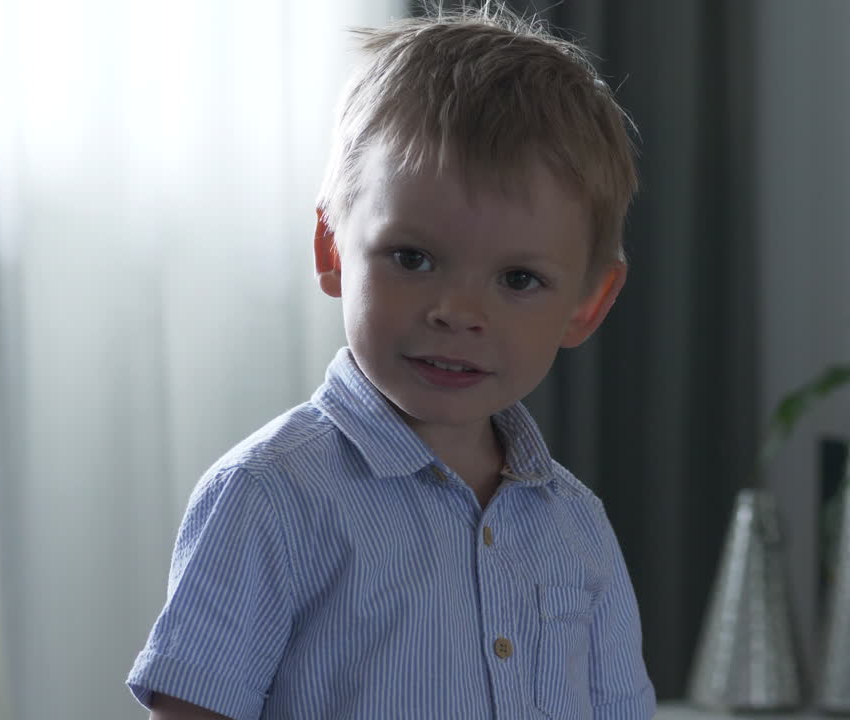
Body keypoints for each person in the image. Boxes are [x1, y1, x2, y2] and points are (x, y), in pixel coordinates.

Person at [126, 4, 654, 720]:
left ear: (588, 304)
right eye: (413, 258)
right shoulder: (270, 496)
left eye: (517, 279)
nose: (458, 312)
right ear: (333, 250)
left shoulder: (579, 528)